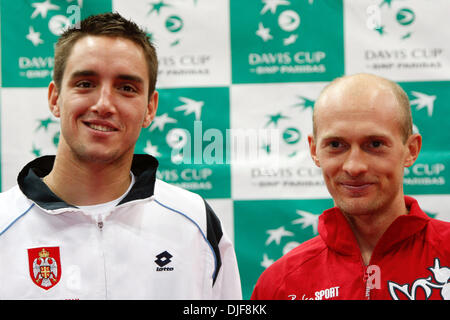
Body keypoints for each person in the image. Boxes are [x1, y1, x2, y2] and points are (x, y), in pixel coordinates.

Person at [0, 12, 241, 300]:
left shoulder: (195, 222)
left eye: (126, 88)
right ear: (55, 98)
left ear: (150, 108)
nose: (104, 105)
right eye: (85, 83)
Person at [251, 73, 450, 300]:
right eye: (336, 145)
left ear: (411, 150)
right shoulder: (279, 284)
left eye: (375, 144)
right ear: (315, 151)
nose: (354, 166)